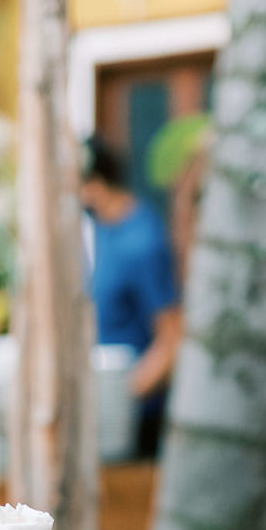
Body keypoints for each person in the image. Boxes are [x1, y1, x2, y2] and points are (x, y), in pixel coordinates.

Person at [79, 135, 182, 457]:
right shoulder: (103, 229)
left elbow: (172, 339)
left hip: (136, 424)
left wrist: (118, 400)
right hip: (102, 417)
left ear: (94, 185)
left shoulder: (142, 240)